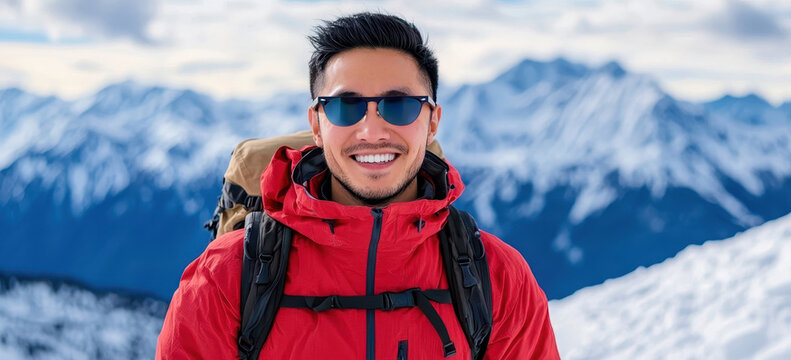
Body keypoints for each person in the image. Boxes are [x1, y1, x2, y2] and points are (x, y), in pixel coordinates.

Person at [156, 12, 560, 359]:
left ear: (432, 120)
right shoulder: (224, 277)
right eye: (347, 106)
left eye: (398, 106)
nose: (371, 130)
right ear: (316, 124)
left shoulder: (498, 278)